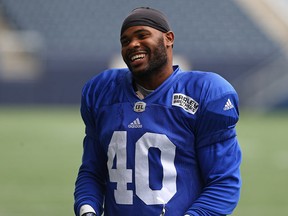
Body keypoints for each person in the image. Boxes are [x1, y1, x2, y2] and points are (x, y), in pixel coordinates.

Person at [74, 7, 242, 216]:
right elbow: (92, 171)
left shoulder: (206, 92)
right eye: (125, 41)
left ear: (168, 38)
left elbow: (223, 183)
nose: (133, 44)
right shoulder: (101, 91)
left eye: (142, 35)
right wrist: (87, 210)